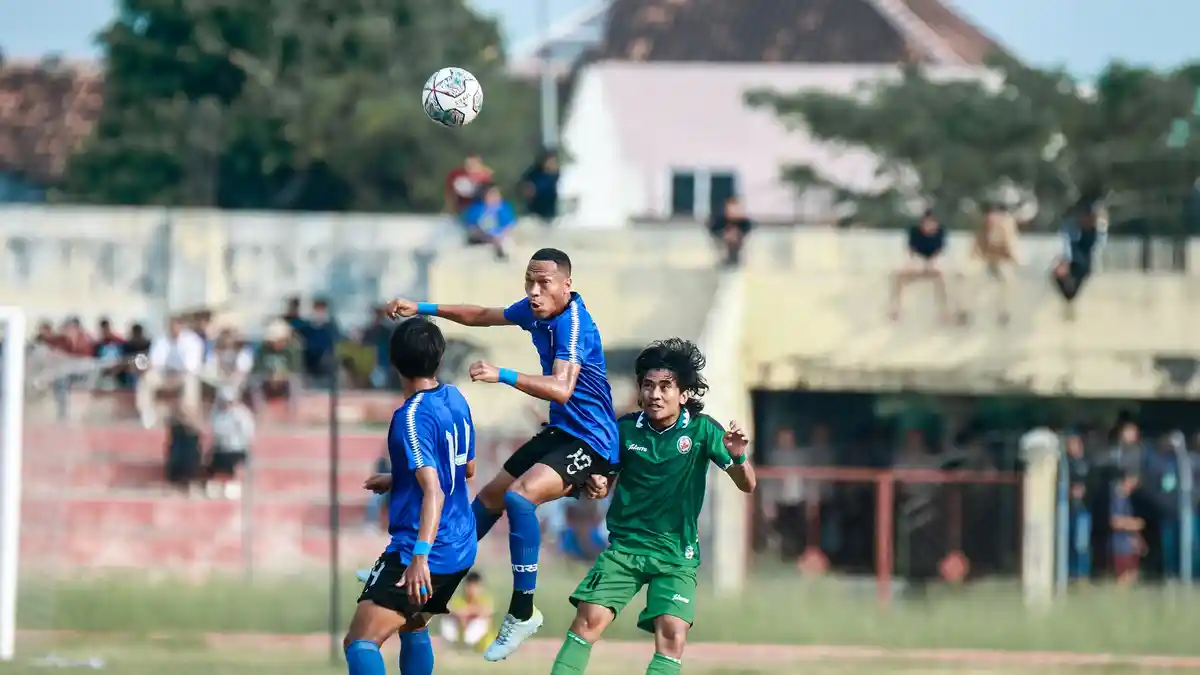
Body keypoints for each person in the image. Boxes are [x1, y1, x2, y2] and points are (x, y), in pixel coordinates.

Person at [384, 247, 620, 661]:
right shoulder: (537, 311)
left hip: (593, 441)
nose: (533, 291)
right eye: (529, 281)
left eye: (543, 283)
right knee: (491, 497)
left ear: (567, 285)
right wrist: (420, 307)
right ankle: (426, 577)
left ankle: (522, 613)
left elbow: (563, 388)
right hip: (563, 432)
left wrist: (502, 375)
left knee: (518, 497)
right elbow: (480, 315)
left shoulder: (573, 325)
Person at [549, 338, 756, 675]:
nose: (655, 394)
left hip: (676, 555)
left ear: (684, 394)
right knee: (587, 621)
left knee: (673, 634)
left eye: (665, 387)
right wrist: (597, 484)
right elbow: (601, 485)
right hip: (625, 549)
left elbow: (747, 484)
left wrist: (738, 457)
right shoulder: (624, 429)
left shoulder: (703, 431)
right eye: (648, 386)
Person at [343, 317, 477, 675]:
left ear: (393, 361)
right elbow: (466, 469)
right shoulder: (455, 398)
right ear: (440, 357)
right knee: (413, 624)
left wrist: (420, 557)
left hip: (425, 551)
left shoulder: (411, 417)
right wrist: (398, 478)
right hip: (461, 546)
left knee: (360, 643)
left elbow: (433, 489)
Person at [440, 571, 496, 652]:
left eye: (475, 586)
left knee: (481, 621)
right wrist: (462, 615)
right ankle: (455, 647)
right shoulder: (460, 599)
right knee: (447, 620)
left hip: (481, 641)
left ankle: (474, 646)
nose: (472, 590)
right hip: (461, 632)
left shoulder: (484, 599)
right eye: (470, 586)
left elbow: (486, 611)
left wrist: (467, 612)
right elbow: (450, 609)